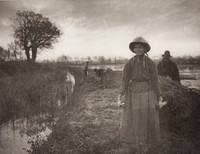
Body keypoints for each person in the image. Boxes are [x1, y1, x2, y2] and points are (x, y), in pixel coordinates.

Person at [117, 36, 162, 153]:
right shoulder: (129, 64)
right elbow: (125, 80)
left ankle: (147, 142)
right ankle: (135, 142)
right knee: (134, 117)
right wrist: (120, 95)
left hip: (148, 92)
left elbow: (155, 80)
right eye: (135, 47)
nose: (138, 49)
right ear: (133, 49)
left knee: (148, 117)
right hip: (133, 93)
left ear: (145, 49)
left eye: (140, 47)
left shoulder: (151, 63)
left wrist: (159, 96)